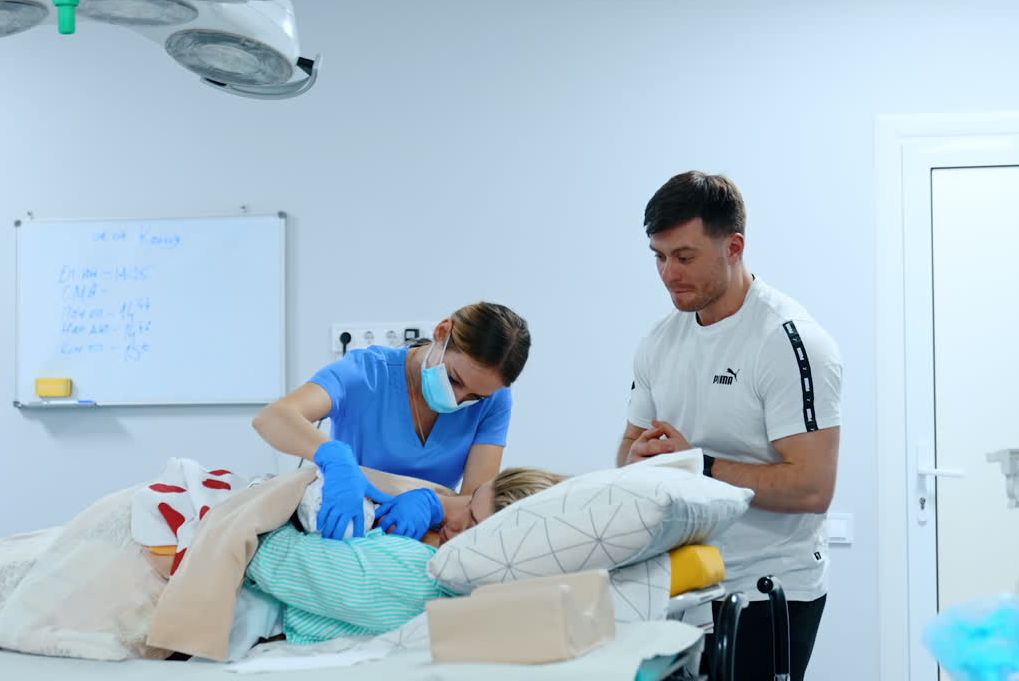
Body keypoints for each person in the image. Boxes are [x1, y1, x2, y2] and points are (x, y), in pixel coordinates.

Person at [616, 171, 842, 681]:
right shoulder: (659, 340)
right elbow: (629, 447)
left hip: (767, 588)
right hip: (681, 584)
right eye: (659, 256)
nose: (669, 272)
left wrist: (696, 464)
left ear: (734, 246)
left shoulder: (789, 341)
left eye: (685, 256)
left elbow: (811, 487)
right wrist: (638, 463)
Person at [253, 302, 531, 542]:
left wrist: (432, 505)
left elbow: (476, 501)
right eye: (454, 379)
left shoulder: (495, 401)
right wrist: (334, 456)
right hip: (349, 520)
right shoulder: (365, 373)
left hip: (422, 531)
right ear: (442, 331)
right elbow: (273, 418)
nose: (457, 400)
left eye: (475, 397)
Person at [244, 467, 566, 644]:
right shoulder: (441, 566)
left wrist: (265, 499)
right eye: (467, 505)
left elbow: (270, 556)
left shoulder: (419, 577)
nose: (452, 520)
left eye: (471, 524)